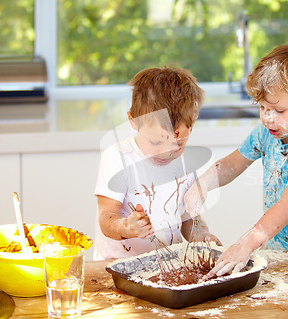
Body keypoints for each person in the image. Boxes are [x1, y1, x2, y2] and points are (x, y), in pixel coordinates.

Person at [184, 43, 288, 277]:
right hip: (278, 249)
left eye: (278, 111)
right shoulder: (269, 132)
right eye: (262, 107)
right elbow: (233, 164)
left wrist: (246, 243)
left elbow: (287, 206)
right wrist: (203, 183)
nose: (268, 118)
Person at [94, 66, 220, 260]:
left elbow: (188, 221)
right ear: (133, 121)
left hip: (169, 265)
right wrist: (128, 227)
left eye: (178, 142)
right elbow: (106, 218)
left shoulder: (186, 164)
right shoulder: (117, 158)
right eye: (156, 142)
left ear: (192, 125)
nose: (167, 152)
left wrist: (203, 237)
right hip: (117, 266)